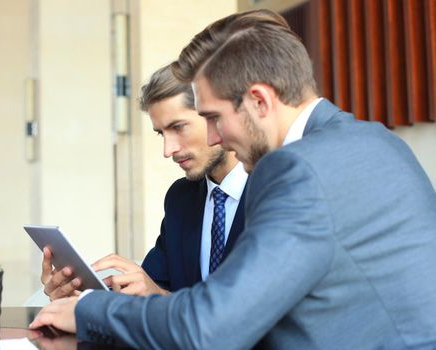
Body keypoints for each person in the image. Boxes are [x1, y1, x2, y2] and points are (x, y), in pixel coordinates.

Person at [31, 9, 436, 349]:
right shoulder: (378, 142)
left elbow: (211, 326)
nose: (213, 137)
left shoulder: (297, 170)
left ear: (259, 100)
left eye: (213, 118)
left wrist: (88, 310)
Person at [40, 64, 248, 299]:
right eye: (161, 133)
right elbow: (147, 289)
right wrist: (81, 296)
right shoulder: (181, 198)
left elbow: (252, 313)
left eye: (178, 127)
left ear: (216, 115)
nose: (168, 150)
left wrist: (159, 297)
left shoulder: (274, 194)